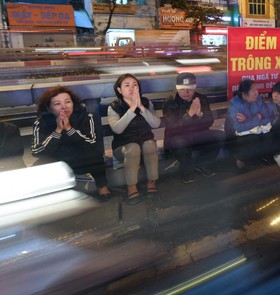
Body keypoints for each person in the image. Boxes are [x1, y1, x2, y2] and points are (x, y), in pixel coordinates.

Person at [31, 86, 111, 200]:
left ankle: (102, 188)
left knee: (96, 155)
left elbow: (91, 143)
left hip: (81, 158)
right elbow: (37, 151)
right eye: (57, 103)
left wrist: (69, 129)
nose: (64, 106)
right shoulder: (41, 122)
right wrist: (58, 131)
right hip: (58, 161)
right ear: (49, 108)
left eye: (68, 102)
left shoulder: (86, 117)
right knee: (38, 165)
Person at [107, 73, 161, 205]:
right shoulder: (114, 107)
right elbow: (117, 129)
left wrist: (141, 107)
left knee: (149, 144)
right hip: (124, 149)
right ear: (119, 90)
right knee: (133, 148)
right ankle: (131, 187)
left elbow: (156, 124)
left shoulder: (146, 103)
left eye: (134, 85)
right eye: (127, 85)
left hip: (146, 146)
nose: (131, 88)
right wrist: (132, 108)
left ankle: (152, 182)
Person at [162, 72, 222, 184]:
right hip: (177, 136)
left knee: (219, 136)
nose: (186, 92)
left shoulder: (201, 99)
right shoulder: (170, 102)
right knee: (179, 142)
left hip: (197, 134)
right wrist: (189, 114)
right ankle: (187, 170)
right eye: (182, 89)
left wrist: (200, 115)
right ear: (177, 88)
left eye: (190, 88)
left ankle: (202, 164)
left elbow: (210, 122)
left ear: (195, 87)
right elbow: (172, 128)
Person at [225, 79, 280, 168]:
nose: (257, 93)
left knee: (271, 133)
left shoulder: (259, 99)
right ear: (244, 95)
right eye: (253, 91)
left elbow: (266, 119)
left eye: (257, 90)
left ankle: (266, 157)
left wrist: (248, 119)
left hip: (255, 129)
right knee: (251, 140)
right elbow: (238, 127)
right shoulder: (234, 104)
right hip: (235, 133)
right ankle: (239, 159)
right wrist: (257, 118)